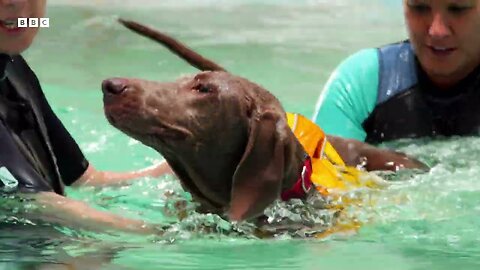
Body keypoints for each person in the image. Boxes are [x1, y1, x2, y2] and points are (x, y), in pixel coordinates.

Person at [0, 0, 172, 234]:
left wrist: (177, 168)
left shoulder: (12, 67)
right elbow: (31, 204)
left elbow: (86, 179)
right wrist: (166, 233)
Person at [312, 0, 480, 144]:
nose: (437, 31)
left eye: (458, 9)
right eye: (419, 7)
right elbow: (317, 170)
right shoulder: (363, 83)